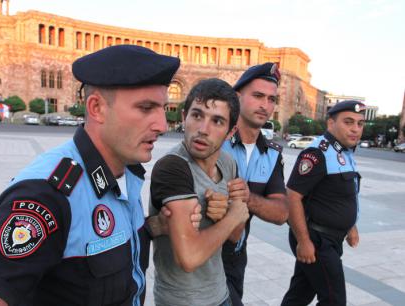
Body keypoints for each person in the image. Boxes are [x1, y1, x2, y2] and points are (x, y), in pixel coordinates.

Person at [0, 45, 202, 306]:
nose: (161, 125)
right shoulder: (48, 194)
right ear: (97, 108)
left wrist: (151, 228)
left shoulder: (126, 171)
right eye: (146, 108)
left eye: (163, 108)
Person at [149, 78, 250, 306]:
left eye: (217, 121)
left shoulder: (228, 163)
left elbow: (234, 236)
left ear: (231, 131)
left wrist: (229, 211)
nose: (203, 130)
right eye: (197, 116)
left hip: (220, 291)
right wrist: (233, 216)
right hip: (183, 300)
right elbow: (189, 258)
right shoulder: (172, 167)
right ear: (184, 117)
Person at [213, 62, 288, 306]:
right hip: (204, 254)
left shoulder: (271, 154)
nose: (265, 105)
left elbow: (281, 213)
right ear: (237, 97)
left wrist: (248, 196)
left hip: (236, 256)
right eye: (257, 96)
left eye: (271, 99)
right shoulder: (213, 142)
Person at [281, 100, 366, 306]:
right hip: (317, 239)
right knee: (334, 300)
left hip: (330, 239)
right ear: (331, 123)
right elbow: (292, 196)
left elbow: (342, 195)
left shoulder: (344, 152)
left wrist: (351, 225)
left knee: (299, 295)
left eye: (360, 123)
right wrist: (303, 241)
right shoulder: (317, 153)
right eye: (348, 122)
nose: (355, 129)